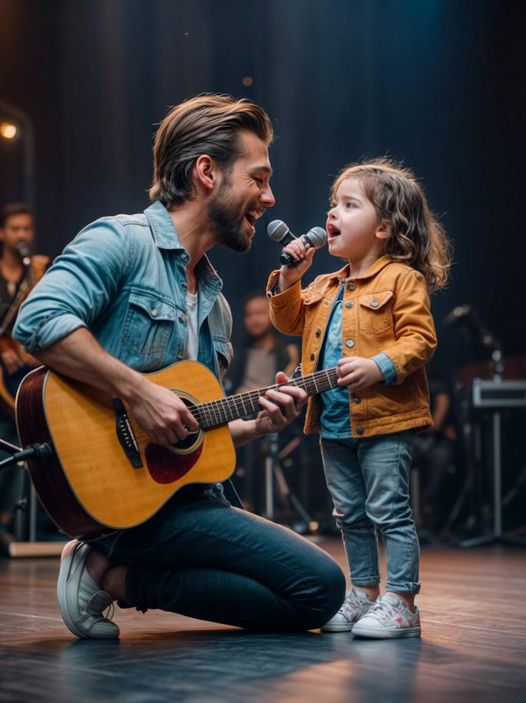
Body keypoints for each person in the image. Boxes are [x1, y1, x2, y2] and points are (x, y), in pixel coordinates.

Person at [13, 94, 345, 638]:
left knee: (311, 598)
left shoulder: (215, 306)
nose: (269, 196)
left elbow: (193, 432)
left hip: (181, 498)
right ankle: (108, 574)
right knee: (323, 590)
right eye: (258, 179)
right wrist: (139, 393)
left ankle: (115, 574)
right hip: (113, 501)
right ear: (207, 172)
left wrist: (257, 425)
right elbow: (38, 319)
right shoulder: (121, 239)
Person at [267, 158, 451, 638]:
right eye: (333, 204)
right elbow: (289, 323)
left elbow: (420, 340)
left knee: (389, 510)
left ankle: (403, 601)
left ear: (385, 227)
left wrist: (377, 366)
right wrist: (289, 281)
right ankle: (364, 593)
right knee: (348, 513)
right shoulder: (324, 285)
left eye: (349, 205)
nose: (333, 214)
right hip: (332, 423)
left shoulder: (400, 280)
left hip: (385, 420)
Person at [0, 203, 48, 553]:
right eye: (15, 229)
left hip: (22, 375)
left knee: (22, 437)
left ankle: (9, 522)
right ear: (3, 233)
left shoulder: (38, 272)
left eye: (26, 229)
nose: (21, 235)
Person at [226, 291, 300, 513]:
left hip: (267, 410)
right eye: (249, 314)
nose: (255, 319)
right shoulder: (236, 353)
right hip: (235, 410)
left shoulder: (288, 352)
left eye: (260, 313)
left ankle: (260, 504)